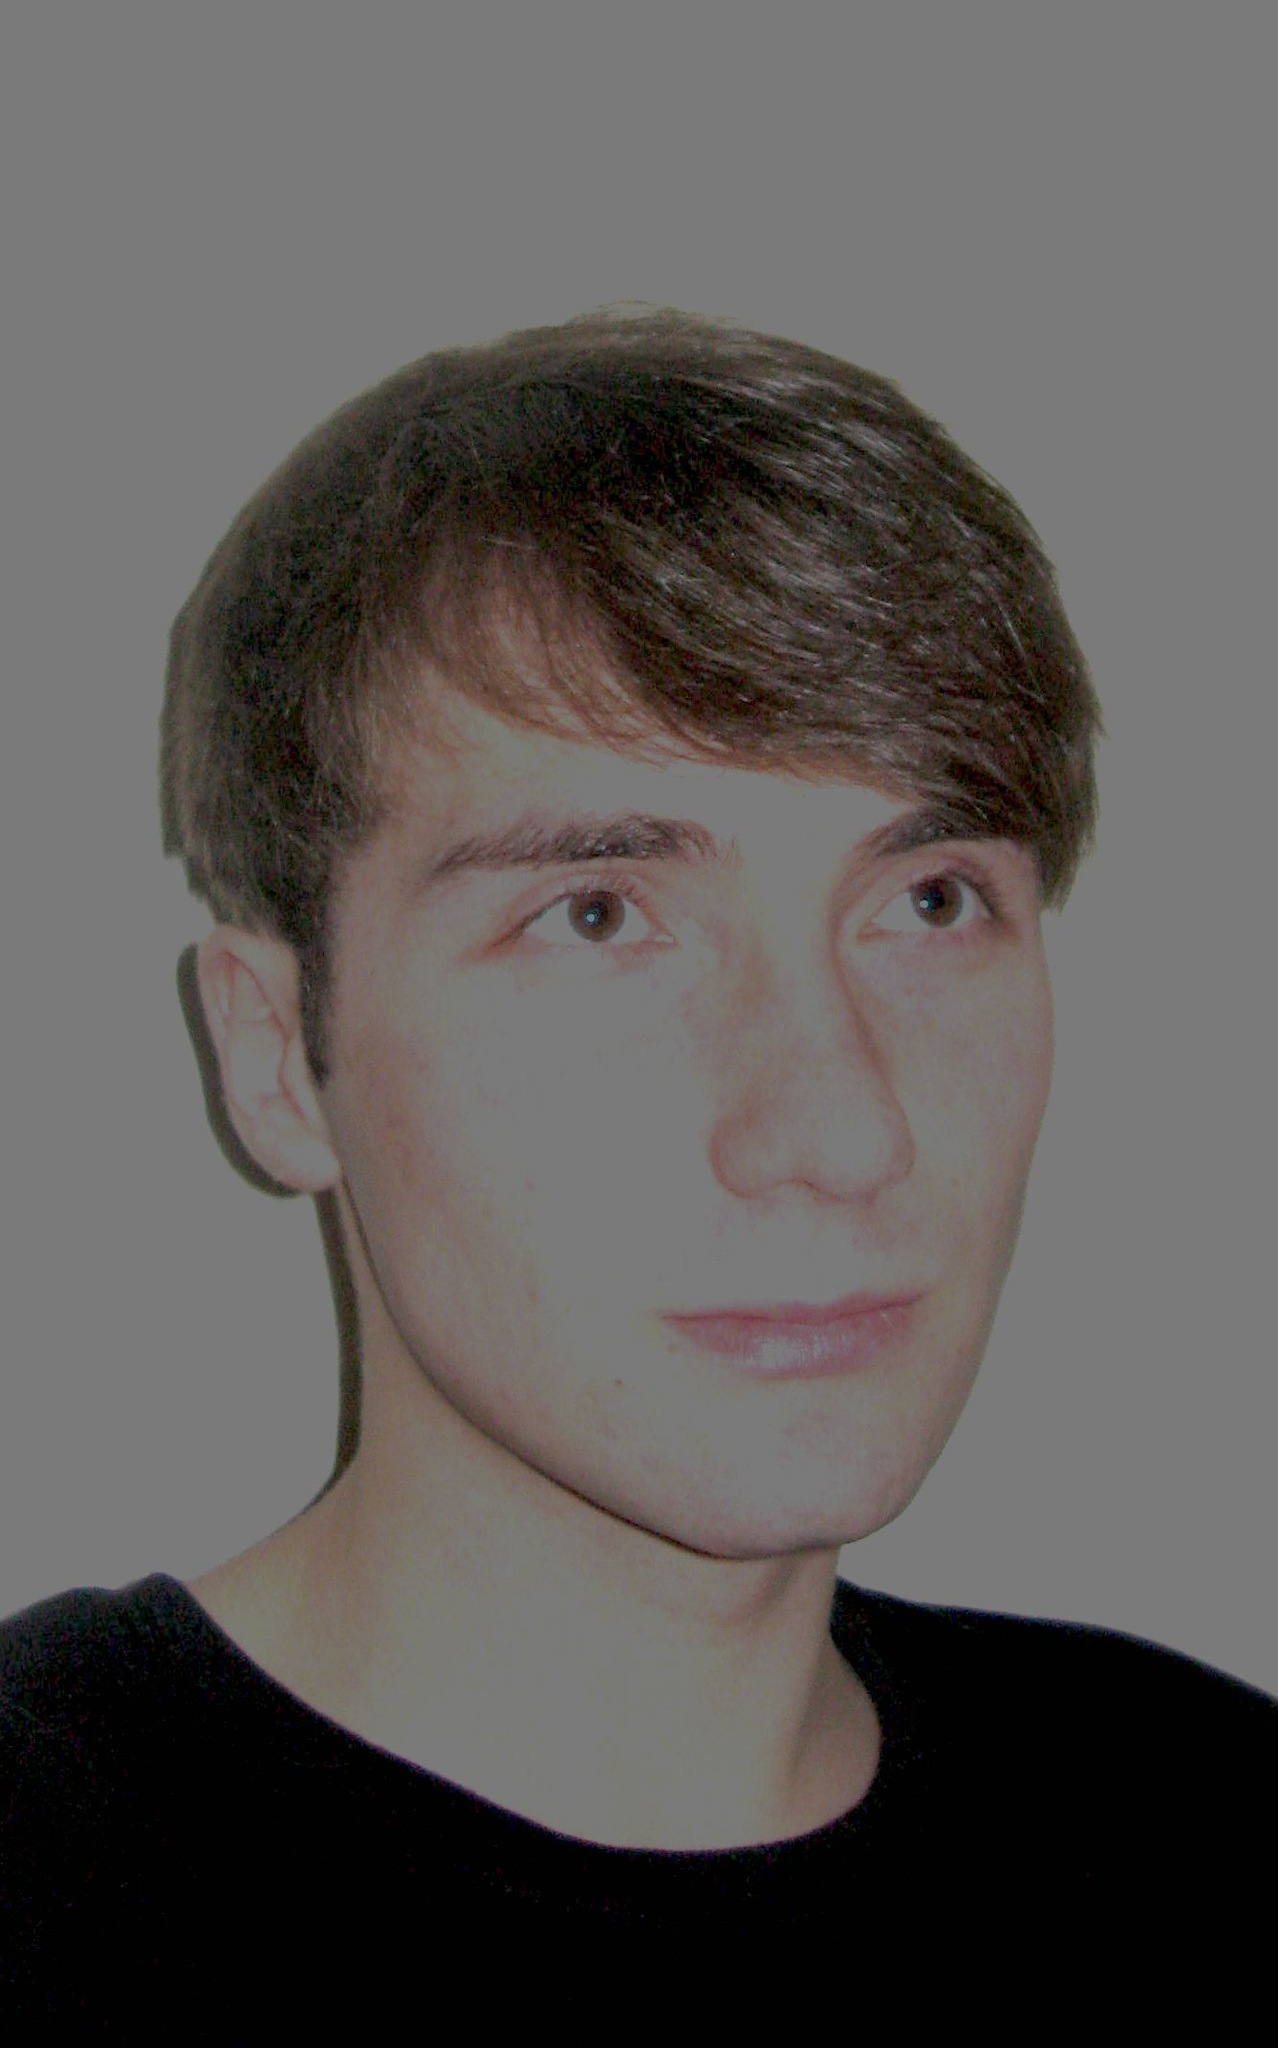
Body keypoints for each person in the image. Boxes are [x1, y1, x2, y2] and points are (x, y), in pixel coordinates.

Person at [2, 308, 1272, 2002]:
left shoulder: (1216, 1828)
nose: (840, 1126)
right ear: (275, 1058)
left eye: (927, 900)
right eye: (597, 916)